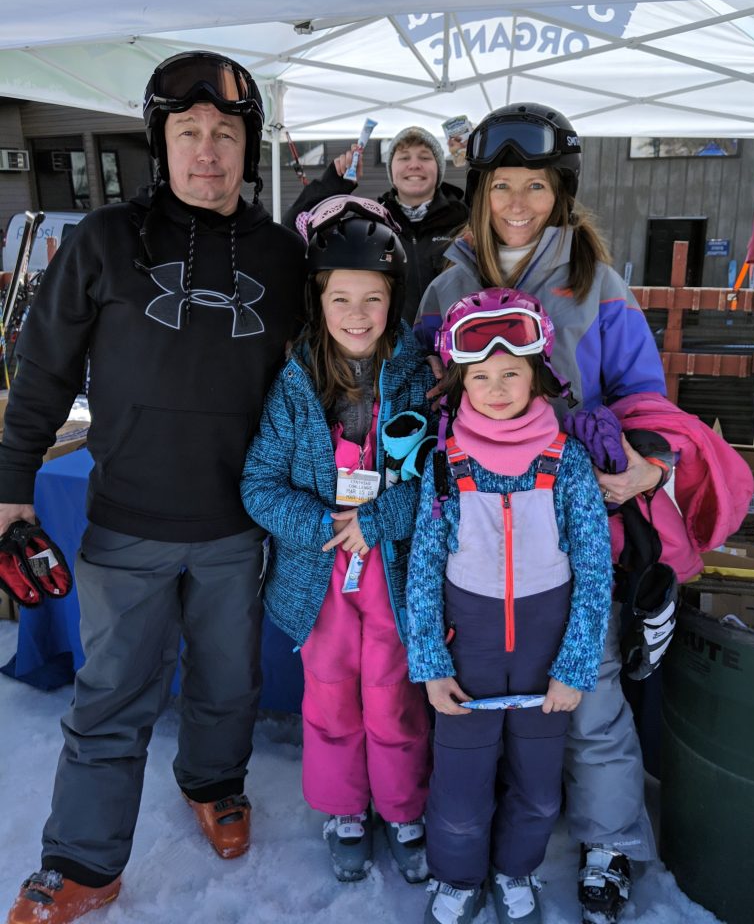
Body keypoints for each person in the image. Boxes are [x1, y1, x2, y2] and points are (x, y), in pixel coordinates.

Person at [1, 51, 306, 924]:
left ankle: (215, 784)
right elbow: (43, 372)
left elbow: (327, 375)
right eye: (188, 133)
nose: (206, 152)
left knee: (226, 682)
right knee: (110, 700)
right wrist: (11, 484)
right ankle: (83, 864)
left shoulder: (286, 257)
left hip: (237, 524)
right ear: (160, 142)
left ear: (248, 147)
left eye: (224, 134)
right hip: (127, 524)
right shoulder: (102, 241)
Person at [413, 103, 670, 924]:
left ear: (561, 193)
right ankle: (469, 849)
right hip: (476, 519)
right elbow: (419, 394)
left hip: (571, 515)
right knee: (479, 695)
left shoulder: (597, 282)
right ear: (481, 191)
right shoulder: (450, 283)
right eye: (502, 186)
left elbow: (646, 397)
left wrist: (643, 468)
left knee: (587, 689)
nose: (518, 203)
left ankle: (608, 842)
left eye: (537, 186)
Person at [240, 196, 434, 885]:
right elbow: (259, 485)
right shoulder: (295, 387)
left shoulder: (417, 378)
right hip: (321, 579)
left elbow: (436, 482)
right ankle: (346, 807)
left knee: (392, 694)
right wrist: (322, 525)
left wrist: (377, 521)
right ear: (318, 301)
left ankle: (404, 807)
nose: (357, 315)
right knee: (329, 695)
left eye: (373, 299)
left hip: (392, 573)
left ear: (394, 299)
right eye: (341, 298)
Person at [407, 287, 613, 924]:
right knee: (460, 788)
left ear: (538, 377)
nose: (496, 388)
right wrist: (429, 663)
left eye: (512, 374)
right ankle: (458, 876)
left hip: (544, 657)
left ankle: (515, 868)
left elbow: (594, 568)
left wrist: (575, 666)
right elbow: (422, 566)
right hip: (466, 652)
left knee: (538, 786)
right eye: (481, 376)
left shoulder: (566, 461)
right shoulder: (446, 460)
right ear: (461, 383)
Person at [282, 125, 468, 322]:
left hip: (456, 343)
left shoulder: (464, 220)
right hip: (393, 347)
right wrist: (333, 184)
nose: (414, 165)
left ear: (439, 168)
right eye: (404, 157)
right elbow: (291, 234)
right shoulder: (373, 223)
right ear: (391, 169)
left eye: (425, 157)